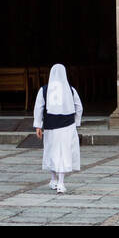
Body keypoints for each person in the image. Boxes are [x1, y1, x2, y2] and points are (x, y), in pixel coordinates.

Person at [33, 63, 82, 194]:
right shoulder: (71, 90)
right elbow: (79, 107)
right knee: (64, 153)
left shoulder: (44, 90)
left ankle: (54, 179)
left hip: (50, 125)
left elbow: (39, 108)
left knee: (52, 151)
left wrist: (38, 125)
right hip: (67, 126)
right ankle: (60, 182)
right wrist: (76, 123)